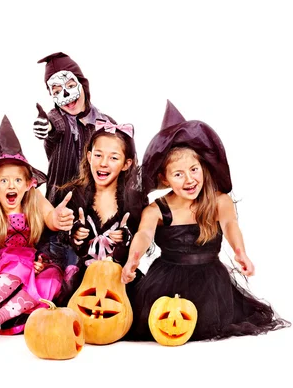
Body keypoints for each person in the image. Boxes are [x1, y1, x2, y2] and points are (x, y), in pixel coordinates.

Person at [121, 100, 290, 341]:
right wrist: (134, 258)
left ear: (203, 167)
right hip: (166, 281)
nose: (189, 179)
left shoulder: (219, 201)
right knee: (159, 321)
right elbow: (144, 234)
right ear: (165, 178)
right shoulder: (157, 210)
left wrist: (240, 252)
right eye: (178, 174)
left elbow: (231, 225)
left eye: (194, 169)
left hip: (210, 283)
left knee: (207, 323)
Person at [0, 115, 74, 340]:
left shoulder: (36, 201)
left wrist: (58, 217)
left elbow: (50, 217)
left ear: (28, 184)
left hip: (33, 262)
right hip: (4, 261)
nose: (11, 186)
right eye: (4, 181)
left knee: (51, 282)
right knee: (15, 266)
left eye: (17, 180)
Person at [32, 52, 116, 270]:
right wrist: (46, 126)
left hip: (99, 218)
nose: (66, 95)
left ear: (82, 84)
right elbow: (54, 125)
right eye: (57, 91)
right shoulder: (57, 119)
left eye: (70, 85)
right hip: (61, 217)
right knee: (59, 275)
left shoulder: (106, 124)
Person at [60, 118, 148, 302]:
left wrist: (126, 239)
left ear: (126, 164)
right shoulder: (74, 195)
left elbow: (144, 242)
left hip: (122, 281)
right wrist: (75, 235)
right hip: (86, 280)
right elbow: (60, 240)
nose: (103, 163)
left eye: (114, 158)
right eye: (98, 155)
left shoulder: (135, 202)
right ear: (89, 156)